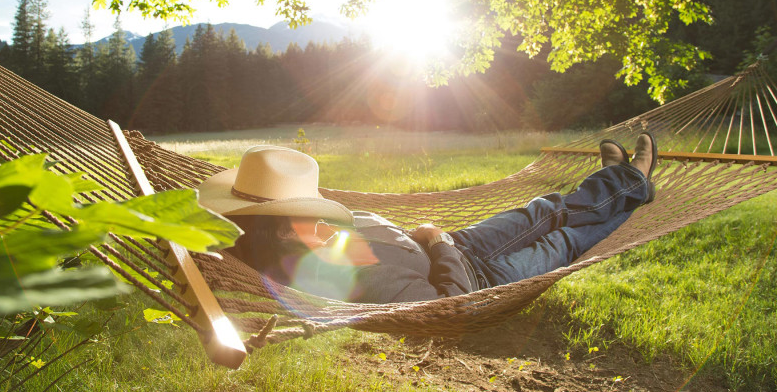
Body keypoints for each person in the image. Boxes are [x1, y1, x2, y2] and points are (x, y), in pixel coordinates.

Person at [197, 133, 657, 303]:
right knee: (564, 244)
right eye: (299, 206)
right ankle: (633, 180)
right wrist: (438, 242)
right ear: (279, 227)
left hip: (460, 243)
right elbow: (448, 300)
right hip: (481, 275)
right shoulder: (338, 279)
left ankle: (615, 180)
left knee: (547, 209)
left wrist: (434, 238)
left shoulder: (304, 236)